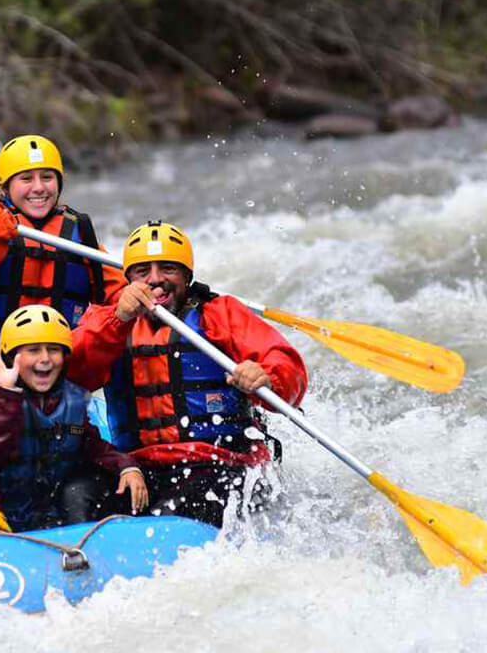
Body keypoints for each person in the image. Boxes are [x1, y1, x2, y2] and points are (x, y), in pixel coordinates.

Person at [67, 221, 308, 527]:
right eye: (143, 271)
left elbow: (289, 367)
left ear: (186, 276)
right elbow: (67, 375)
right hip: (138, 468)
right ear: (128, 279)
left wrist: (266, 377)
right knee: (78, 495)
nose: (156, 280)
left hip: (221, 465)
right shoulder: (111, 321)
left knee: (171, 515)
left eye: (168, 269)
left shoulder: (220, 314)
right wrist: (117, 320)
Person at [0, 134, 125, 369]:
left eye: (47, 177)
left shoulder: (79, 235)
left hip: (53, 364)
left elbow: (116, 296)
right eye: (26, 179)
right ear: (5, 186)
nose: (39, 188)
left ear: (59, 183)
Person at [0, 306, 147, 533]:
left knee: (83, 490)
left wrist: (127, 467)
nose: (45, 359)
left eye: (53, 350)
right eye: (34, 350)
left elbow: (91, 445)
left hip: (48, 515)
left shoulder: (72, 399)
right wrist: (5, 394)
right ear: (12, 357)